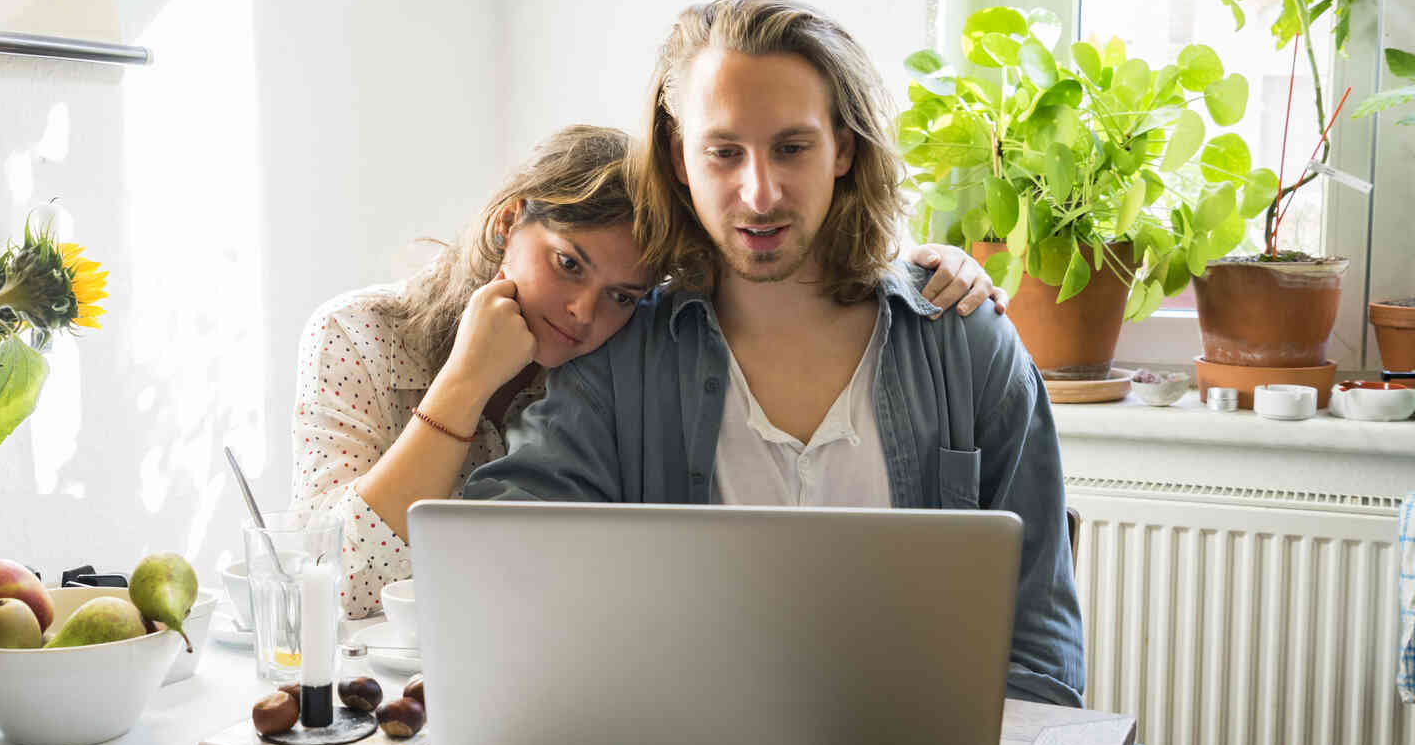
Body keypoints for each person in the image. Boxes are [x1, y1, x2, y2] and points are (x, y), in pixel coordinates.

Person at [464, 0, 1293, 745]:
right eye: (723, 152)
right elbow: (498, 560)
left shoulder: (967, 346)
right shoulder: (625, 362)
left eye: (791, 147)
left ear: (844, 149)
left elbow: (1039, 648)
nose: (757, 191)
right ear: (677, 157)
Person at [287, 124, 1002, 619]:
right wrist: (464, 385)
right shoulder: (359, 337)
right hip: (362, 693)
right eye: (567, 263)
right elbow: (334, 582)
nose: (580, 312)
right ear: (509, 224)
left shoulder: (620, 366)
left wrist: (916, 263)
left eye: (622, 296)